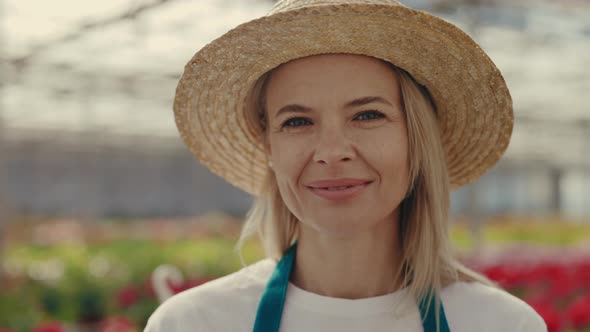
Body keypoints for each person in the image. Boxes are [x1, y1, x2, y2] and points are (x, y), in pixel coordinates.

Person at [145, 0, 547, 331]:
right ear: (269, 147)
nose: (331, 151)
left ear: (417, 139)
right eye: (297, 121)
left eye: (368, 115)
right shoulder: (191, 323)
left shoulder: (502, 324)